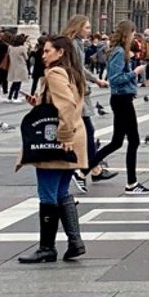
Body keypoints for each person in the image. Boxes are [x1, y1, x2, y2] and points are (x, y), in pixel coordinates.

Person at [16, 35, 88, 264]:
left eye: (47, 51)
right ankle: (75, 242)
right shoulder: (74, 72)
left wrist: (64, 135)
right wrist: (40, 102)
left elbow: (66, 104)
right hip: (75, 137)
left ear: (60, 53)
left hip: (57, 140)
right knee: (62, 192)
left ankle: (47, 248)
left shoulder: (55, 73)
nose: (43, 55)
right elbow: (69, 102)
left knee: (47, 194)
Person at [93, 20, 149, 194]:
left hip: (121, 99)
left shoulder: (119, 51)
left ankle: (85, 168)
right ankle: (131, 183)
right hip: (122, 99)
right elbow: (115, 79)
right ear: (127, 34)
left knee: (117, 141)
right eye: (132, 33)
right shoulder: (118, 52)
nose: (134, 36)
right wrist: (136, 72)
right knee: (134, 140)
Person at [63, 15, 117, 192]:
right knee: (86, 131)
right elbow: (76, 68)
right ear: (77, 27)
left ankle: (94, 169)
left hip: (80, 91)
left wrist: (95, 80)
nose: (89, 30)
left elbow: (79, 68)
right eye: (86, 27)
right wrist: (91, 82)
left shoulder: (76, 43)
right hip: (77, 93)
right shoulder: (73, 44)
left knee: (87, 132)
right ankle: (85, 170)